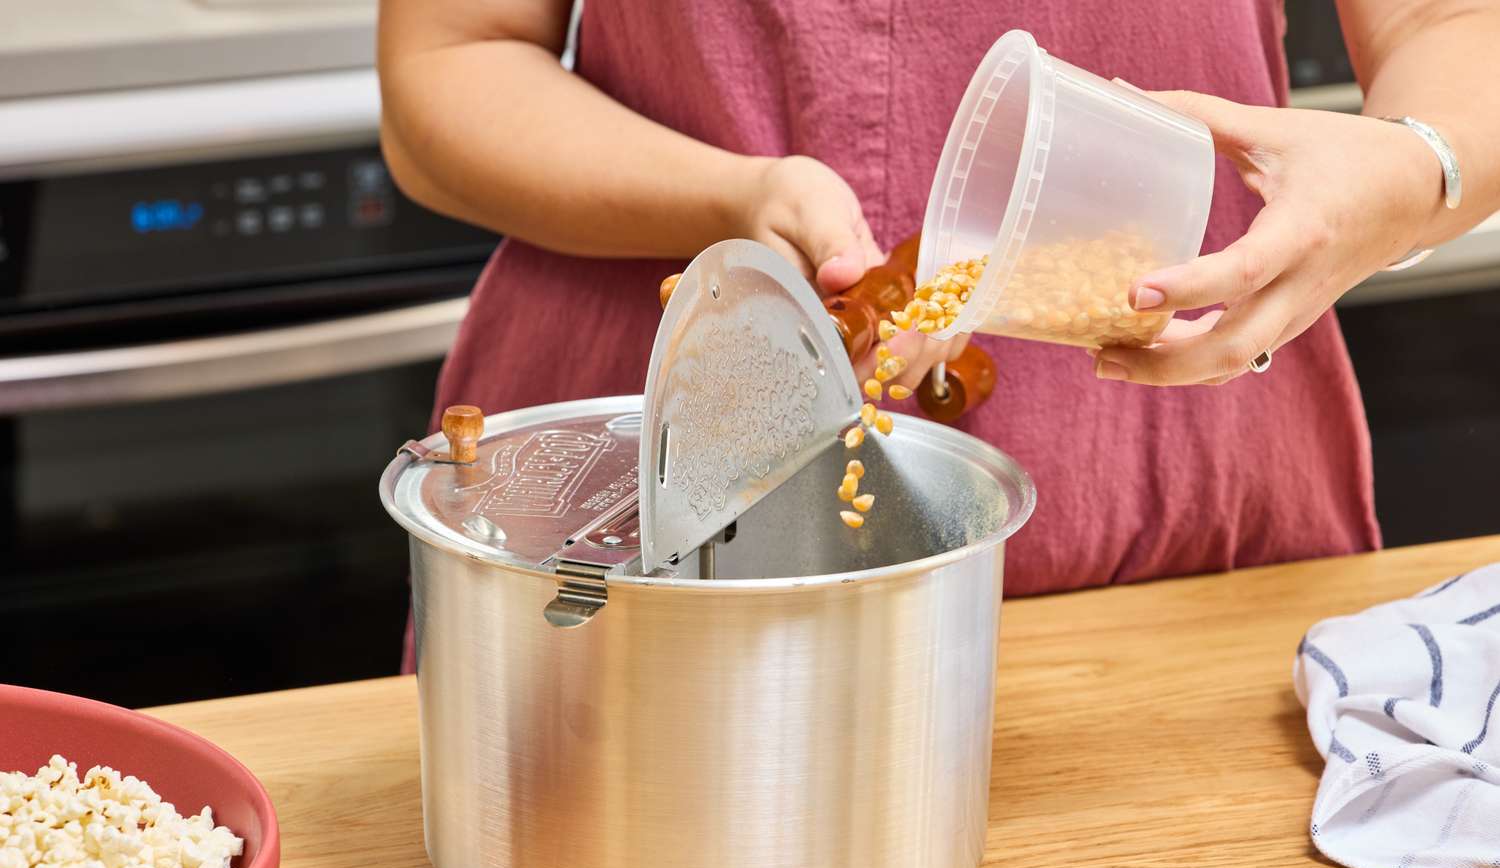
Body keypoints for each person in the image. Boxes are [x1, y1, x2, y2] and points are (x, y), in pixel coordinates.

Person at [377, 0, 1500, 598]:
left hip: (1182, 476)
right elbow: (454, 61)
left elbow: (1451, 25)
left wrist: (1417, 169)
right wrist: (726, 195)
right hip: (644, 504)